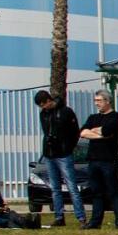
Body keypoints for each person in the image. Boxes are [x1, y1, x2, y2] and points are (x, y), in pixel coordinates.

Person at [34, 89, 86, 227]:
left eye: (43, 104)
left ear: (48, 101)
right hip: (50, 154)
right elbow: (46, 131)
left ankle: (80, 217)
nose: (42, 108)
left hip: (63, 153)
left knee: (71, 186)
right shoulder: (44, 114)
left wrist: (68, 146)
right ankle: (59, 216)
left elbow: (75, 132)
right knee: (55, 187)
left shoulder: (65, 112)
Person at [78, 90, 118, 229]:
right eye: (95, 100)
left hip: (108, 160)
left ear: (107, 101)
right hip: (93, 160)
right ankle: (95, 222)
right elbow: (83, 132)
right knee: (96, 192)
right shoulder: (93, 117)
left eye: (99, 100)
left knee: (113, 192)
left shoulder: (116, 117)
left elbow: (107, 131)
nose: (96, 103)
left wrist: (98, 132)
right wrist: (100, 134)